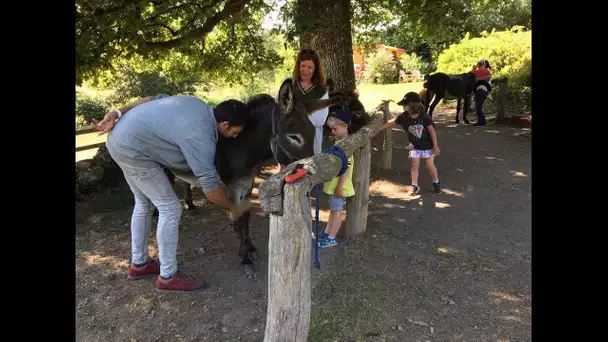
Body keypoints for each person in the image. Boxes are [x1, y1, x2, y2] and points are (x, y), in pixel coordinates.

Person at [92, 94, 251, 293]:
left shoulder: (195, 103)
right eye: (235, 133)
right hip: (132, 150)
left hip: (118, 139)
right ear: (225, 124)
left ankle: (139, 264)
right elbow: (210, 189)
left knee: (144, 203)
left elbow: (151, 98)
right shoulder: (202, 136)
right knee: (170, 207)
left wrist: (117, 112)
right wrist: (232, 208)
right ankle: (168, 276)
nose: (235, 137)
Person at [278, 48, 329, 171]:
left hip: (310, 140)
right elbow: (279, 108)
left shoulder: (321, 91)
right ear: (298, 66)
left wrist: (295, 114)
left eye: (309, 67)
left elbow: (320, 119)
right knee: (286, 173)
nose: (305, 70)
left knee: (307, 173)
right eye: (303, 66)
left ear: (315, 69)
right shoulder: (290, 85)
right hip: (288, 137)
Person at [381, 92, 441, 195]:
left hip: (428, 145)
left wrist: (435, 146)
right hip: (414, 146)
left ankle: (436, 182)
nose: (403, 107)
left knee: (429, 165)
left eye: (405, 105)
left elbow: (432, 131)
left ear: (412, 105)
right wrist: (378, 128)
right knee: (414, 165)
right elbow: (392, 122)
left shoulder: (424, 117)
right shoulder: (403, 117)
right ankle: (414, 186)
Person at [315, 109, 355, 248]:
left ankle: (332, 237)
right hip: (334, 184)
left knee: (337, 212)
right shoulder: (339, 143)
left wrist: (339, 186)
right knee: (333, 210)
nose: (332, 132)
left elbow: (346, 168)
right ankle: (327, 232)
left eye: (335, 129)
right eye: (331, 129)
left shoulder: (346, 147)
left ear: (345, 126)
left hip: (339, 186)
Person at [471, 58, 493, 126]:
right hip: (485, 90)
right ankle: (482, 121)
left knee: (478, 106)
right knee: (479, 106)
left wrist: (475, 68)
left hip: (479, 90)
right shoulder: (487, 71)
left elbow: (470, 75)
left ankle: (481, 122)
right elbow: (489, 77)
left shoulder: (476, 71)